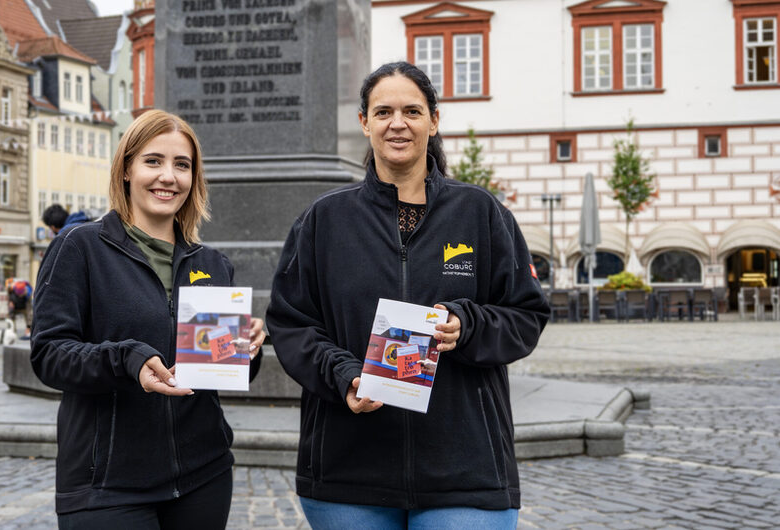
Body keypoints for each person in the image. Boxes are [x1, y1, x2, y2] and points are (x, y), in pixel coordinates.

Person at [266, 61, 550, 529]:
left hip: (465, 470)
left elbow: (526, 315)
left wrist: (468, 325)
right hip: (348, 471)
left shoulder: (479, 212)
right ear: (364, 123)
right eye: (383, 112)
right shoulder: (324, 220)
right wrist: (344, 375)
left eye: (412, 111)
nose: (397, 123)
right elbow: (291, 323)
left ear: (433, 121)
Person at [31, 109, 266, 529]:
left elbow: (220, 372)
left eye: (182, 165)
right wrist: (128, 360)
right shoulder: (79, 247)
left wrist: (247, 346)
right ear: (126, 169)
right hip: (107, 486)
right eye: (153, 161)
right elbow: (49, 354)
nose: (168, 177)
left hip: (203, 476)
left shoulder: (212, 263)